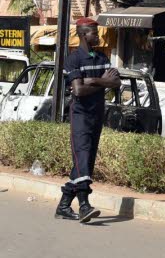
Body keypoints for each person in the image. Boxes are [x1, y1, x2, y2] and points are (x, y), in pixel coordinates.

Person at [55, 18, 121, 223]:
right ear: (83, 34)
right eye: (94, 32)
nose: (98, 36)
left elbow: (116, 82)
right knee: (82, 156)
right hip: (80, 115)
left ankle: (63, 206)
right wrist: (103, 82)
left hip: (97, 114)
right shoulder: (73, 59)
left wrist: (93, 80)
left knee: (86, 162)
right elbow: (78, 91)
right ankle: (84, 205)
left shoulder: (101, 57)